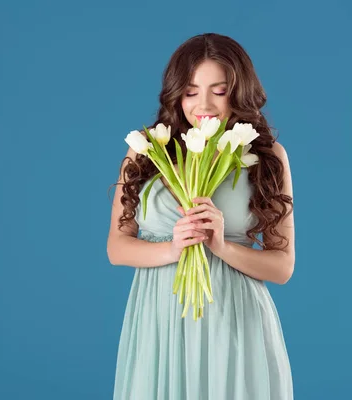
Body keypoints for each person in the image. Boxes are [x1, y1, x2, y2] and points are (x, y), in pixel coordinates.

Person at [107, 33, 295, 400]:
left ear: (239, 92)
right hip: (158, 320)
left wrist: (221, 246)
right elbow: (117, 247)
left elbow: (282, 267)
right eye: (191, 91)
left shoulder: (268, 155)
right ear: (176, 93)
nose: (203, 104)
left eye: (219, 91)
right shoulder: (146, 151)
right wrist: (173, 248)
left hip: (236, 319)